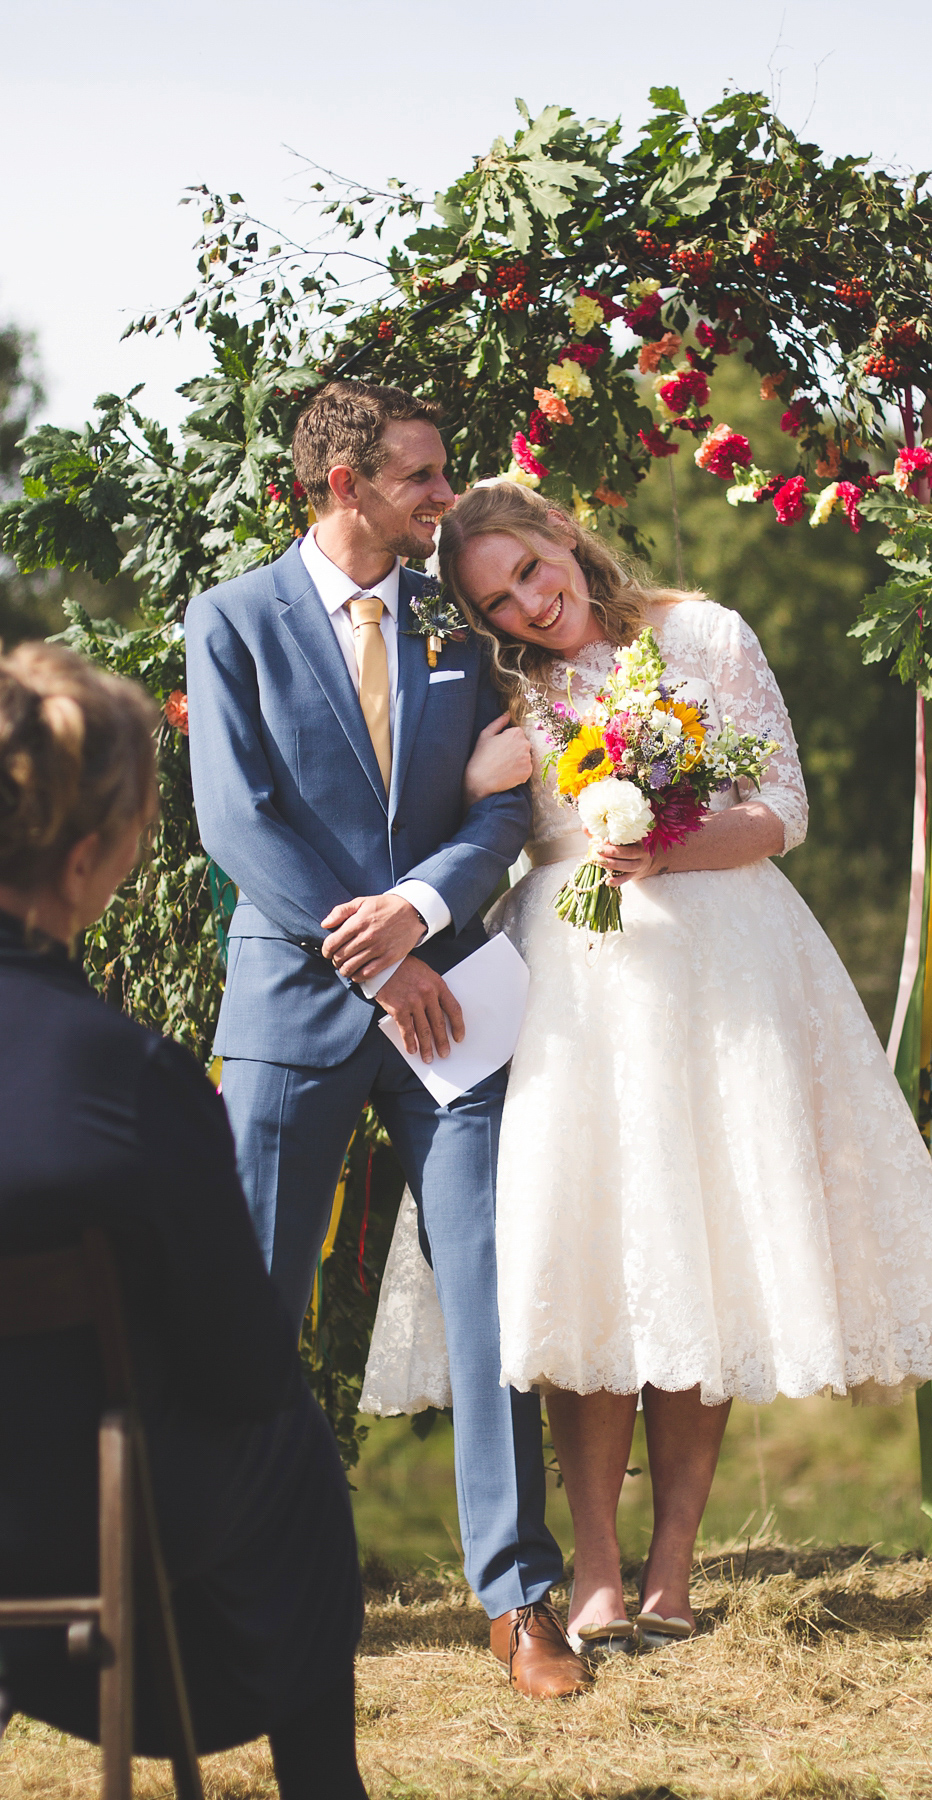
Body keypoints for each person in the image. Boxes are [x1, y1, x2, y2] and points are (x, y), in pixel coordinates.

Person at [368, 480, 932, 1654]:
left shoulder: (702, 634)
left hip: (722, 965)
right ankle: (594, 1572)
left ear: (564, 535)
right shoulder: (496, 688)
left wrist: (668, 844)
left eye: (532, 569)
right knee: (596, 1256)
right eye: (497, 599)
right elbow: (444, 827)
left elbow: (783, 810)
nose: (529, 603)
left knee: (700, 1248)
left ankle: (673, 1570)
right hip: (574, 984)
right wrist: (471, 783)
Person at [184, 382, 588, 1697]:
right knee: (252, 1313)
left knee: (488, 1291)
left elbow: (500, 810)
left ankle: (521, 1603)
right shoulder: (232, 620)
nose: (441, 493)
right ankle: (216, 1593)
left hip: (451, 1013)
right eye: (419, 475)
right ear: (344, 485)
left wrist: (419, 919)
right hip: (293, 1013)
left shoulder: (458, 634)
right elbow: (236, 825)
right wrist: (377, 961)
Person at [0, 642, 368, 1795]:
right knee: (294, 1449)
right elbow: (241, 1366)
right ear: (92, 856)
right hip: (78, 1530)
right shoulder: (126, 1079)